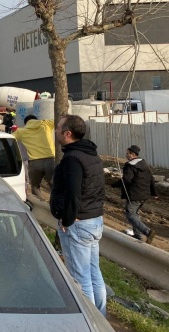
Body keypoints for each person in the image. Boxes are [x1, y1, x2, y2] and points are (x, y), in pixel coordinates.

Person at [50, 114, 106, 316]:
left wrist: (67, 219)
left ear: (67, 133)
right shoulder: (91, 154)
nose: (55, 131)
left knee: (80, 277)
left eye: (57, 128)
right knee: (94, 273)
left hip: (78, 223)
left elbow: (73, 193)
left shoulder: (72, 159)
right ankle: (101, 319)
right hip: (94, 220)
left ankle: (89, 322)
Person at [111, 145, 157, 244]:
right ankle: (137, 235)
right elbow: (151, 179)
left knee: (130, 214)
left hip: (134, 195)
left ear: (133, 154)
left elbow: (126, 180)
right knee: (135, 214)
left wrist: (114, 184)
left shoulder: (130, 166)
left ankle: (147, 232)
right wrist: (154, 193)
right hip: (144, 195)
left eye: (127, 153)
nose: (126, 155)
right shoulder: (144, 164)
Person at [13, 115, 55, 197]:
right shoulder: (46, 124)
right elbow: (59, 119)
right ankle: (55, 205)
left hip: (35, 162)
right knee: (54, 186)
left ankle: (40, 205)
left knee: (35, 186)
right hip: (50, 160)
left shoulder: (21, 131)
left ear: (25, 123)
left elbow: (9, 138)